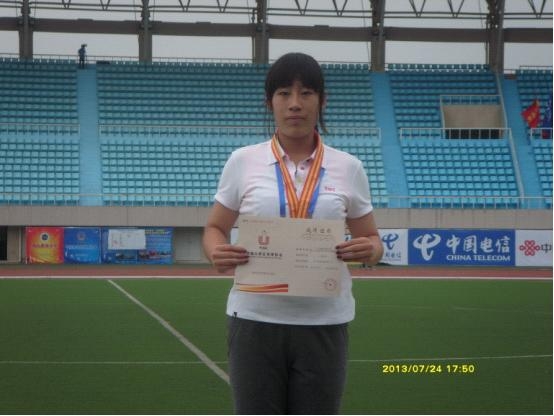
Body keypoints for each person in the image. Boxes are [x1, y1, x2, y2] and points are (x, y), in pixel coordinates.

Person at [202, 52, 383, 415]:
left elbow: (374, 241)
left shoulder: (349, 167)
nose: (295, 104)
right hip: (254, 319)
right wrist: (216, 251)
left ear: (323, 100)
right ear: (269, 102)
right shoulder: (242, 161)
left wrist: (369, 251)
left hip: (324, 323)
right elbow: (215, 228)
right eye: (284, 93)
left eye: (306, 93)